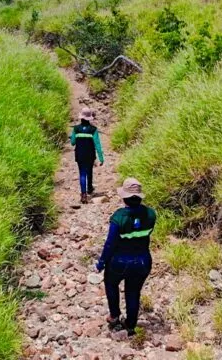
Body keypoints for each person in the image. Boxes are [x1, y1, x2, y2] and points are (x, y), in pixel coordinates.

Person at [96, 178, 157, 336]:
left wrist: (102, 262)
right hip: (143, 260)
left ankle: (115, 316)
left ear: (124, 197)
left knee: (111, 283)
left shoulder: (119, 217)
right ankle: (130, 324)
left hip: (120, 261)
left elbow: (110, 243)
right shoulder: (150, 214)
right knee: (133, 292)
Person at [70, 107, 104, 205]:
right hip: (90, 155)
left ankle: (84, 194)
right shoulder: (93, 129)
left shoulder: (76, 129)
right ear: (89, 118)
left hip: (79, 154)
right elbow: (97, 144)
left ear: (81, 117)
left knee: (82, 173)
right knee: (89, 171)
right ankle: (89, 188)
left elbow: (72, 143)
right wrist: (101, 158)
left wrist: (73, 137)